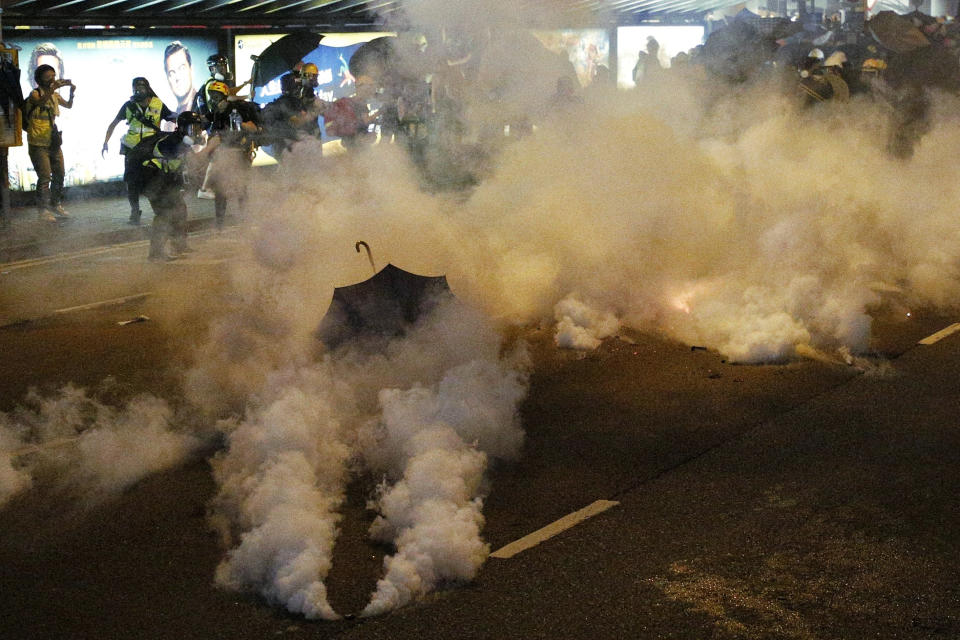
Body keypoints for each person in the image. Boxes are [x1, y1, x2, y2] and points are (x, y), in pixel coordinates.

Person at [136, 111, 216, 260]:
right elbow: (170, 151)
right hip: (151, 178)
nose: (196, 131)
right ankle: (156, 253)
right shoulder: (173, 139)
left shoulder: (183, 142)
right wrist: (195, 145)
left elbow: (190, 163)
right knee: (164, 214)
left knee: (180, 209)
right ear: (183, 127)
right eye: (193, 127)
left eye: (198, 128)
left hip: (164, 180)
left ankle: (179, 245)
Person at [101, 77, 176, 225]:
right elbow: (114, 123)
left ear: (147, 87)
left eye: (141, 86)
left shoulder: (157, 103)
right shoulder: (129, 106)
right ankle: (135, 211)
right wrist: (105, 141)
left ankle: (160, 211)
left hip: (151, 146)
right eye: (135, 87)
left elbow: (171, 117)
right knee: (131, 182)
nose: (138, 89)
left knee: (154, 179)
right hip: (132, 148)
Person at [205, 81, 262, 228]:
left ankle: (245, 222)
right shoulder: (217, 113)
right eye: (211, 97)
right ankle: (219, 226)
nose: (213, 100)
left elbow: (254, 127)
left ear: (225, 97)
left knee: (240, 188)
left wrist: (241, 124)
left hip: (239, 153)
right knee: (220, 191)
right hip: (223, 154)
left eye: (216, 97)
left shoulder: (237, 109)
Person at [24, 63, 74, 223]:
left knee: (60, 173)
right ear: (40, 79)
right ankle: (43, 210)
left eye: (53, 75)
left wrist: (72, 93)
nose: (52, 79)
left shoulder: (54, 95)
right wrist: (52, 89)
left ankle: (55, 204)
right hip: (38, 142)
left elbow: (69, 105)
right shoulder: (35, 94)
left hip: (53, 142)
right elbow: (39, 102)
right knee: (45, 177)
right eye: (48, 77)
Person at [323, 74, 377, 151]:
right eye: (370, 87)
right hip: (358, 144)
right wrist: (380, 112)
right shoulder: (360, 104)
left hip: (352, 142)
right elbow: (365, 121)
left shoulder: (352, 102)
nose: (372, 90)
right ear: (364, 88)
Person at [163, 41, 196, 115]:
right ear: (167, 78)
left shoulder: (204, 107)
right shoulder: (169, 120)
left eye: (182, 68)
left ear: (191, 69)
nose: (177, 77)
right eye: (172, 73)